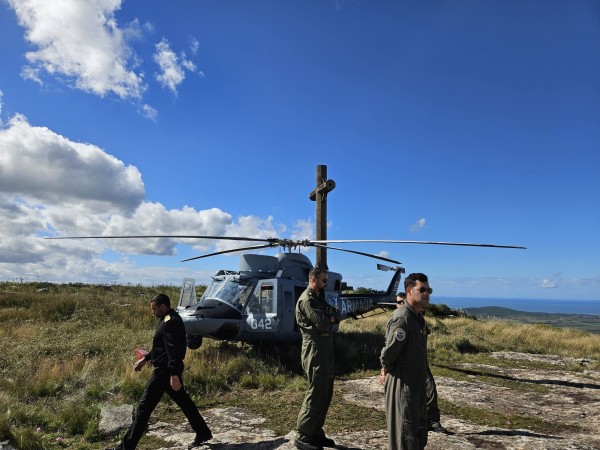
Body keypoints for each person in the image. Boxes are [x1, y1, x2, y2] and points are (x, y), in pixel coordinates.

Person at [105, 294, 212, 450]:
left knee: (143, 408)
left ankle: (125, 447)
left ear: (163, 306)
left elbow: (174, 351)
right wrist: (146, 359)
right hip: (167, 371)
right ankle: (203, 432)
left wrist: (173, 374)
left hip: (164, 373)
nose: (152, 312)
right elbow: (161, 348)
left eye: (154, 308)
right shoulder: (168, 319)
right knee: (184, 402)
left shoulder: (171, 322)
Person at [382, 293, 449, 435]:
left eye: (402, 302)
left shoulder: (417, 318)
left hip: (419, 362)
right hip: (404, 366)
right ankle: (413, 423)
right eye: (398, 302)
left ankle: (431, 420)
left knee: (429, 389)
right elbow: (390, 348)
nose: (401, 304)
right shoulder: (400, 319)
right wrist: (385, 368)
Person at [380, 273, 432, 450]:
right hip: (403, 384)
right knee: (405, 434)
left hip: (416, 382)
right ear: (409, 291)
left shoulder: (417, 318)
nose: (427, 293)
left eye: (429, 290)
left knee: (418, 431)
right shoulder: (404, 318)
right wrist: (385, 368)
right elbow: (389, 354)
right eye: (422, 289)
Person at [294, 267, 340, 450]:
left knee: (326, 391)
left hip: (325, 350)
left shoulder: (318, 299)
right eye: (324, 281)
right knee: (316, 392)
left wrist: (331, 317)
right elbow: (322, 323)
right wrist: (330, 318)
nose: (326, 284)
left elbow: (336, 314)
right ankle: (303, 435)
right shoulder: (307, 300)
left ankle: (315, 432)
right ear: (314, 280)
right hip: (314, 350)